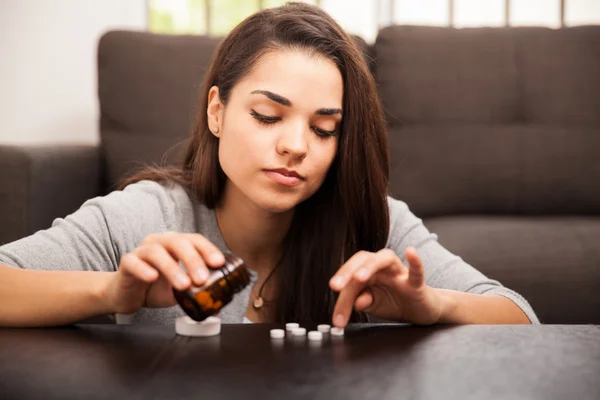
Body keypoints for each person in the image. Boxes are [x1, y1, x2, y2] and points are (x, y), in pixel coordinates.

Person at [0, 2, 538, 328]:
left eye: (325, 128)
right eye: (266, 116)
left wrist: (432, 305)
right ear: (217, 111)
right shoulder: (145, 216)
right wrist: (111, 291)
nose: (296, 145)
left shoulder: (373, 225)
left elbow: (520, 317)